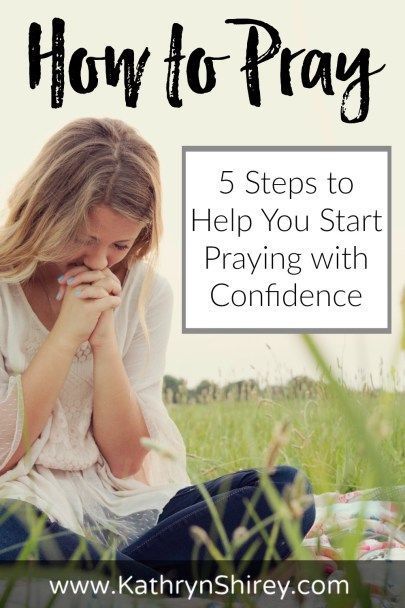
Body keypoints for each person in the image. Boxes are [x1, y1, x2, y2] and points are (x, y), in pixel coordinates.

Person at [0, 117, 315, 583]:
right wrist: (65, 336)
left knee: (289, 492)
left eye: (120, 245)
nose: (98, 262)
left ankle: (110, 583)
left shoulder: (149, 293)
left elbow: (128, 460)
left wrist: (104, 341)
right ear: (46, 215)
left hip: (120, 505)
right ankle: (148, 584)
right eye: (83, 239)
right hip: (22, 503)